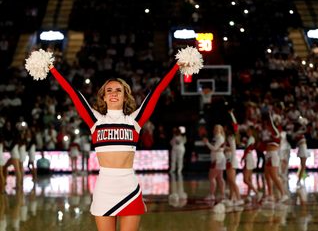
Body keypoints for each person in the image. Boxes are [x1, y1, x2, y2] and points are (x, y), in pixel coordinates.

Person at [26, 46, 202, 231]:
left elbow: (156, 91)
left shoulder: (134, 120)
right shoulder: (96, 120)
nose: (113, 93)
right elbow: (73, 93)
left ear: (125, 96)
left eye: (118, 90)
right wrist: (52, 68)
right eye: (109, 90)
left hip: (129, 187)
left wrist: (177, 66)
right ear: (103, 96)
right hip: (104, 187)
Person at [263, 112, 288, 203]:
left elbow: (271, 124)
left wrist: (270, 116)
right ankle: (270, 195)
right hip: (268, 155)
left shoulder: (276, 131)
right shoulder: (270, 133)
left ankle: (283, 194)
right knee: (267, 175)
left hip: (273, 155)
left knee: (274, 176)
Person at [224, 109, 243, 206]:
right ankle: (232, 198)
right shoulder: (230, 136)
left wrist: (231, 160)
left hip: (231, 159)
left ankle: (239, 198)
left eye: (225, 127)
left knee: (231, 180)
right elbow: (236, 125)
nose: (224, 128)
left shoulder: (231, 137)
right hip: (229, 159)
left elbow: (233, 149)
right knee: (230, 180)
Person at [203, 124, 226, 202]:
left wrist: (207, 143)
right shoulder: (215, 138)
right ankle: (222, 194)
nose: (216, 130)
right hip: (218, 158)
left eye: (218, 129)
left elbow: (215, 148)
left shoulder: (220, 138)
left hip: (217, 159)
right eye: (215, 128)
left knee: (211, 177)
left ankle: (212, 195)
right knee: (219, 177)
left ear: (221, 130)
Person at [241, 126, 261, 202]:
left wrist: (243, 157)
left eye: (248, 130)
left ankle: (257, 192)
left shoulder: (251, 138)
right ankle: (248, 195)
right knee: (249, 179)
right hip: (250, 158)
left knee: (245, 179)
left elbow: (248, 148)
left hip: (249, 158)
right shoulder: (250, 139)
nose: (247, 132)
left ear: (252, 131)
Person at [293, 118, 310, 187]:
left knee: (302, 165)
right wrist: (303, 124)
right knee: (303, 165)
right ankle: (299, 180)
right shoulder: (298, 133)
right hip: (302, 149)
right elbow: (306, 130)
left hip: (303, 149)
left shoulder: (299, 133)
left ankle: (302, 176)